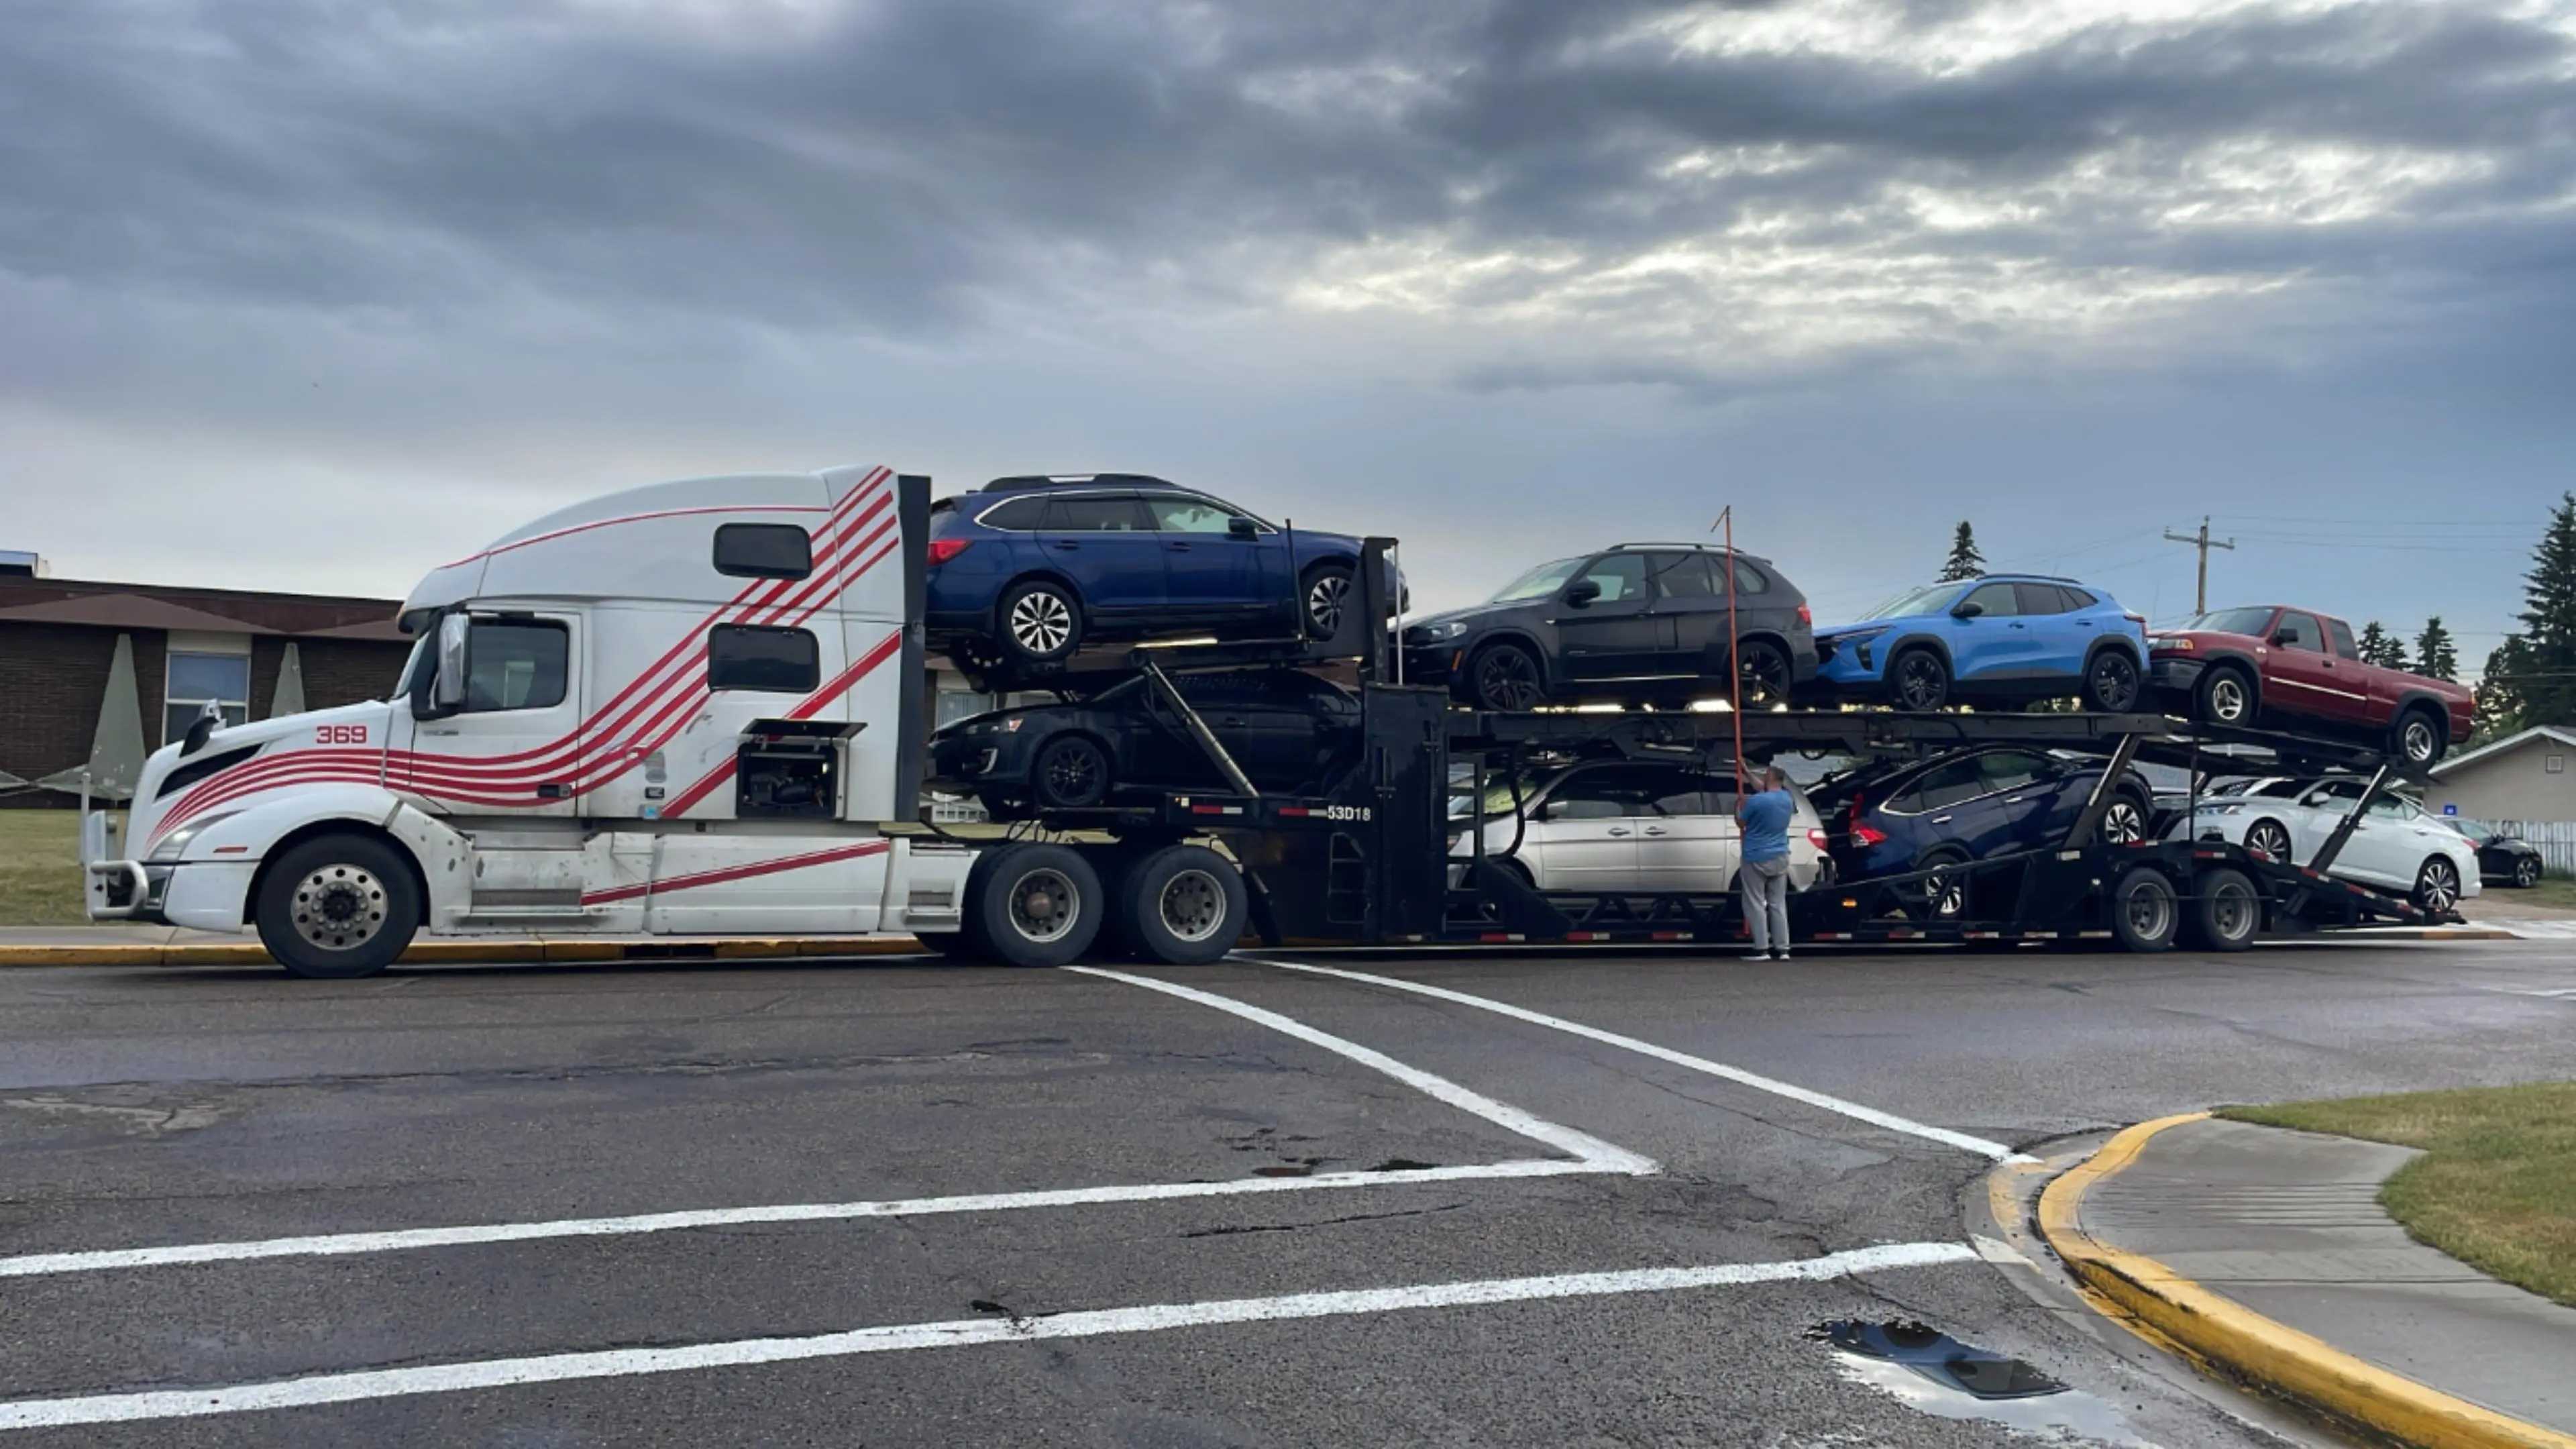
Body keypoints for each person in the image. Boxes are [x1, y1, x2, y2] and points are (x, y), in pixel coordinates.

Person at [1736, 764, 1795, 961]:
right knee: (1778, 903)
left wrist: (1738, 807)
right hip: (1780, 855)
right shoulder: (1787, 799)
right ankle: (1783, 948)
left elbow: (1741, 823)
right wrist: (1746, 771)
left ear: (1770, 777)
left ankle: (1761, 949)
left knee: (1755, 902)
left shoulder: (1756, 801)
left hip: (1756, 856)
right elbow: (1764, 789)